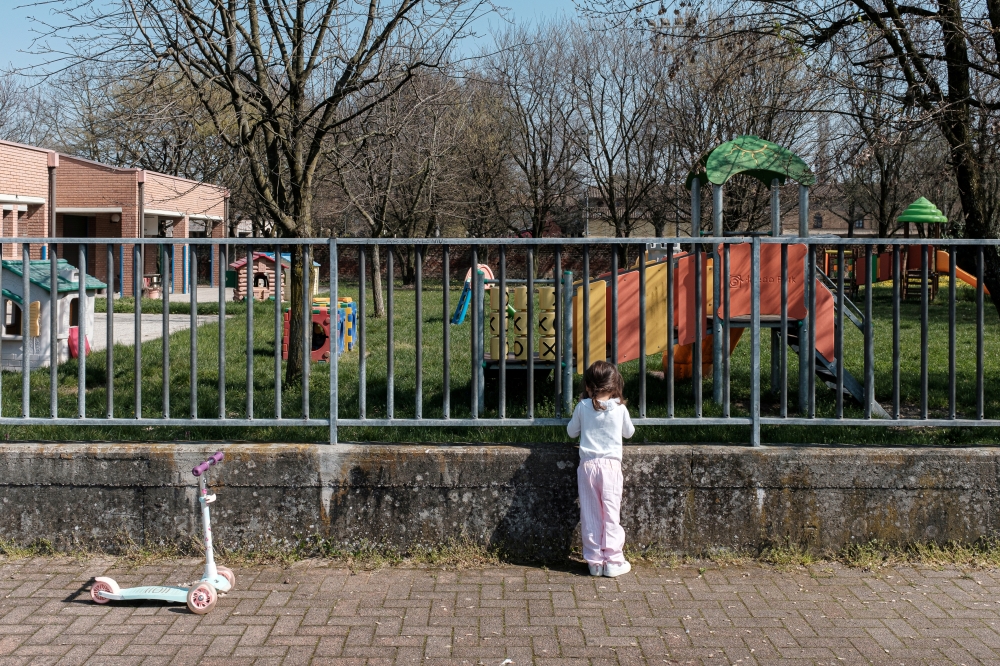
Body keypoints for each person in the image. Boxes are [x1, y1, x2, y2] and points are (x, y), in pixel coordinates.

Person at [567, 360, 635, 577]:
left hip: (587, 467)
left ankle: (594, 561)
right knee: (610, 513)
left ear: (588, 386)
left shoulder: (583, 407)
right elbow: (629, 433)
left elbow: (571, 432)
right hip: (611, 468)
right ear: (615, 385)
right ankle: (613, 560)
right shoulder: (619, 408)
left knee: (590, 513)